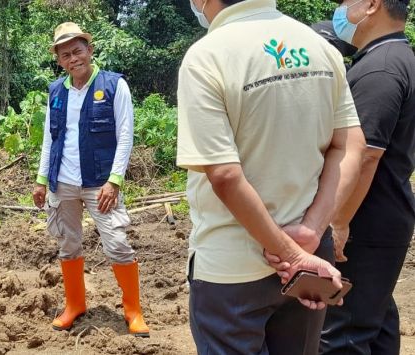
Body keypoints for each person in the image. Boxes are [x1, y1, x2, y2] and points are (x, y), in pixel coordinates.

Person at [177, 0, 366, 354]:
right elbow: (350, 145)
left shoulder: (207, 56)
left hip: (233, 267)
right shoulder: (320, 48)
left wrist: (288, 253)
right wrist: (309, 233)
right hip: (311, 260)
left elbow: (224, 174)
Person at [32, 22, 149, 337]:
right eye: (66, 54)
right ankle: (75, 305)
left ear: (90, 50)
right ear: (59, 60)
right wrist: (42, 179)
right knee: (68, 245)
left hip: (101, 183)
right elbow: (49, 139)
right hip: (63, 184)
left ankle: (133, 310)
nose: (73, 58)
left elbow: (125, 136)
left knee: (118, 244)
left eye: (78, 51)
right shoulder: (56, 91)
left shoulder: (113, 86)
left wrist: (115, 181)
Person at [320, 1, 415, 353]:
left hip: (365, 218)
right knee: (376, 324)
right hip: (385, 212)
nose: (340, 9)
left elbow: (366, 156)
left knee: (342, 335)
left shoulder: (381, 69)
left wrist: (339, 222)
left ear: (372, 5)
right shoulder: (396, 58)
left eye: (346, 2)